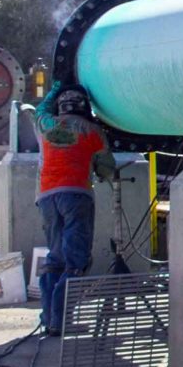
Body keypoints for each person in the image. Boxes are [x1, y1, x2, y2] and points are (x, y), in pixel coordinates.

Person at [34, 87, 116, 336]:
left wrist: (55, 88)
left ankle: (49, 318)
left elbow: (40, 109)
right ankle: (61, 320)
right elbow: (106, 169)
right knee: (76, 261)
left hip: (47, 197)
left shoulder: (45, 124)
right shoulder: (92, 131)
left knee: (55, 258)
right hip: (77, 196)